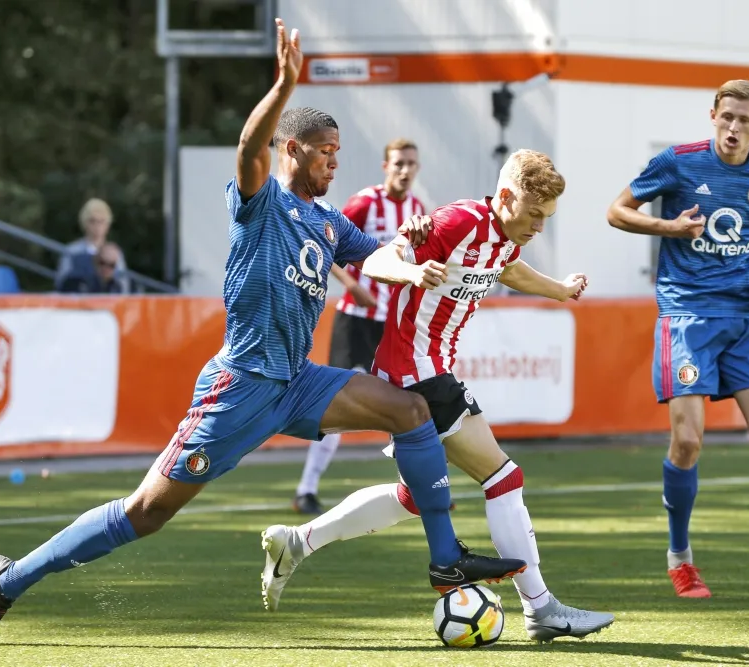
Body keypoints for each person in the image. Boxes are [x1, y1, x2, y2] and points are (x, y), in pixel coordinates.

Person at [0, 19, 525, 646]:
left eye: (338, 153)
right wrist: (283, 86)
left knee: (411, 410)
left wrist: (412, 260)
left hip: (297, 382)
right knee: (147, 512)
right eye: (324, 151)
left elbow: (377, 258)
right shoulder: (261, 203)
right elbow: (248, 148)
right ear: (293, 151)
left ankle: (446, 560)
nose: (334, 162)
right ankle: (8, 579)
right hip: (241, 386)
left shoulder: (328, 222)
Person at [260, 149, 615, 643]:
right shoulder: (458, 221)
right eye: (534, 214)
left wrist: (559, 290)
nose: (539, 226)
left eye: (547, 218)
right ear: (505, 197)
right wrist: (408, 264)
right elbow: (388, 255)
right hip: (418, 372)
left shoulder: (503, 237)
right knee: (504, 478)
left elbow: (508, 269)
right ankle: (542, 608)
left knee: (414, 496)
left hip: (422, 369)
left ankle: (298, 541)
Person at [606, 79, 749, 599]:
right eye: (727, 117)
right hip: (686, 318)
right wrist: (671, 229)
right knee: (688, 440)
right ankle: (680, 559)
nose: (733, 127)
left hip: (743, 321)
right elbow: (616, 211)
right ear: (713, 115)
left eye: (744, 120)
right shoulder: (679, 162)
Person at [294, 138, 425, 514]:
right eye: (398, 163)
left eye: (411, 163)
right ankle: (306, 489)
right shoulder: (365, 202)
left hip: (392, 324)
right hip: (355, 320)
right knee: (333, 403)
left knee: (406, 403)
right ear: (386, 166)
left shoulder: (417, 210)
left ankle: (418, 488)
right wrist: (352, 285)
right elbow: (323, 242)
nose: (405, 170)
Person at [55, 198, 128, 291]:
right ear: (84, 223)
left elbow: (123, 285)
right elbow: (61, 283)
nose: (97, 226)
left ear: (107, 225)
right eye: (92, 221)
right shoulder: (72, 252)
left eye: (101, 221)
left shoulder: (114, 253)